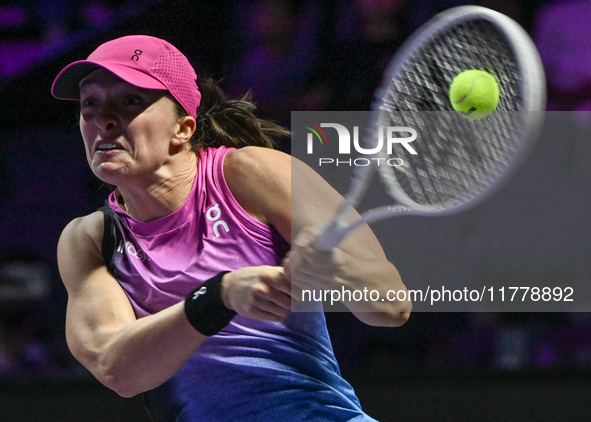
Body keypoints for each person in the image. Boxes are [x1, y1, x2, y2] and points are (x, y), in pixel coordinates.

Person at [51, 34, 411, 421]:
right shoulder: (90, 239)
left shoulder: (252, 173)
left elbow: (392, 305)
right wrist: (219, 296)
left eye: (130, 101)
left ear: (183, 129)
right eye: (90, 103)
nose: (102, 119)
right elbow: (118, 370)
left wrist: (335, 269)